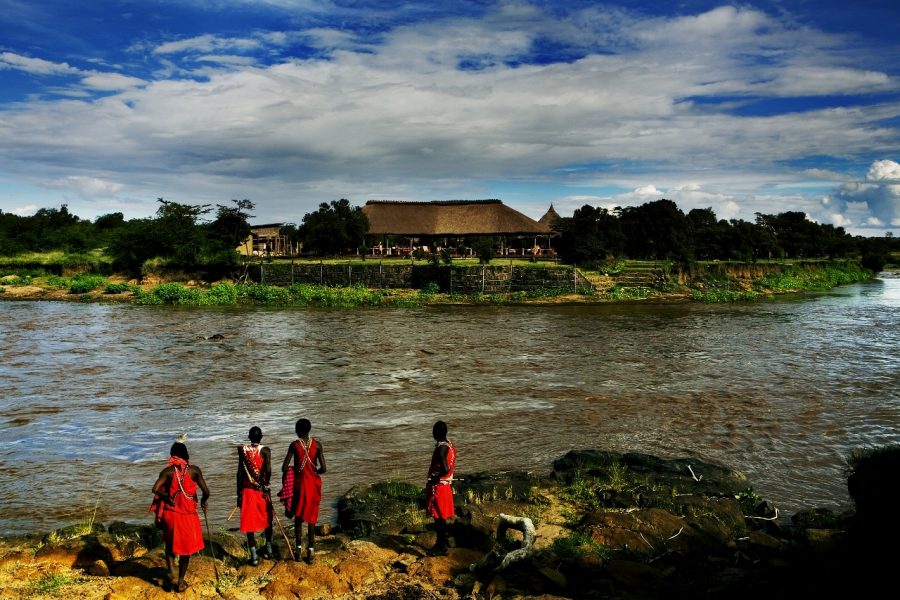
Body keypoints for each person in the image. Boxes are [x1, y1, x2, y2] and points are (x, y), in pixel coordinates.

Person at [151, 439, 210, 593]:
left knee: (170, 546)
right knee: (186, 550)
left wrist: (166, 496)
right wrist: (204, 501)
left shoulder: (167, 472)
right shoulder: (195, 471)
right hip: (188, 516)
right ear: (186, 455)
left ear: (172, 456)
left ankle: (171, 571)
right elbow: (206, 492)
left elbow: (155, 489)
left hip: (171, 515)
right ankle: (181, 581)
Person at [280, 418, 326, 563]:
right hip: (313, 485)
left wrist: (294, 471)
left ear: (297, 430)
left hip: (299, 485)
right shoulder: (317, 445)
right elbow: (324, 468)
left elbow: (284, 467)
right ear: (309, 429)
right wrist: (314, 472)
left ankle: (299, 552)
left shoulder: (294, 445)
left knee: (299, 518)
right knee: (312, 519)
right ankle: (311, 553)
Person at [237, 426, 273, 565]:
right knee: (268, 519)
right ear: (261, 437)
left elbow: (239, 473)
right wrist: (265, 484)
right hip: (262, 490)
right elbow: (268, 469)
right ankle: (269, 550)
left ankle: (254, 557)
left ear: (249, 437)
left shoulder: (242, 450)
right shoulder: (265, 450)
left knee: (249, 523)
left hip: (247, 490)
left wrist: (238, 494)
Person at [424, 420, 456, 555]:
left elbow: (445, 468)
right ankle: (441, 544)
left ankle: (440, 546)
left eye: (433, 431)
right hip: (445, 486)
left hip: (439, 488)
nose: (432, 433)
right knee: (441, 517)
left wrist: (437, 478)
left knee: (438, 518)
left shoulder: (440, 450)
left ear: (436, 433)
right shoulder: (449, 445)